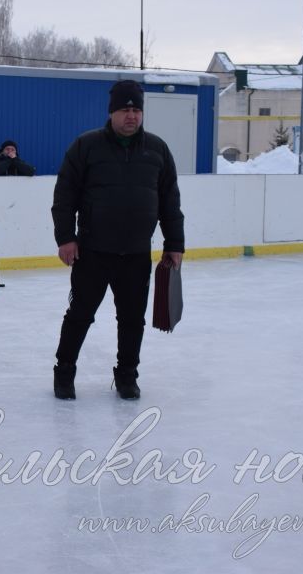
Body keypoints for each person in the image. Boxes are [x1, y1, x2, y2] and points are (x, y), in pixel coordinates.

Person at [51, 79, 184, 401]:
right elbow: (64, 197)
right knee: (80, 315)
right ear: (112, 113)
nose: (131, 116)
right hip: (93, 252)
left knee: (131, 320)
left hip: (137, 254)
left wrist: (174, 244)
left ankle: (127, 376)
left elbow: (170, 202)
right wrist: (66, 238)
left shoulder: (157, 150)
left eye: (136, 109)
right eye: (125, 110)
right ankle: (64, 372)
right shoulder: (86, 146)